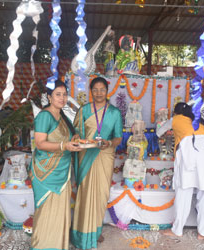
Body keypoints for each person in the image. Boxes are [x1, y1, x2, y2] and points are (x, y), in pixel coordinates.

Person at [71, 77, 123, 249]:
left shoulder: (114, 112)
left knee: (101, 194)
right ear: (90, 91)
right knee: (85, 193)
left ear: (107, 91)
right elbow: (77, 133)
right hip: (86, 155)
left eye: (102, 89)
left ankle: (96, 230)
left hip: (105, 155)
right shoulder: (84, 110)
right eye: (95, 90)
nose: (99, 93)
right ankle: (81, 233)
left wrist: (109, 143)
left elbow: (118, 138)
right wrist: (77, 138)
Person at [29, 80, 82, 250]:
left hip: (62, 170)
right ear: (49, 97)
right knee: (47, 212)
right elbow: (40, 143)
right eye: (58, 94)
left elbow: (65, 139)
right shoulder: (45, 116)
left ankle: (58, 245)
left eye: (64, 94)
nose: (62, 98)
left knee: (60, 211)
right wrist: (63, 146)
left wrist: (73, 141)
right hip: (46, 172)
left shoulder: (62, 116)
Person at [162, 102, 204, 239]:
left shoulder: (175, 119)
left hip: (190, 152)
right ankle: (202, 232)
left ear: (176, 113)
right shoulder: (198, 120)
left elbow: (160, 131)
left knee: (184, 192)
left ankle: (177, 230)